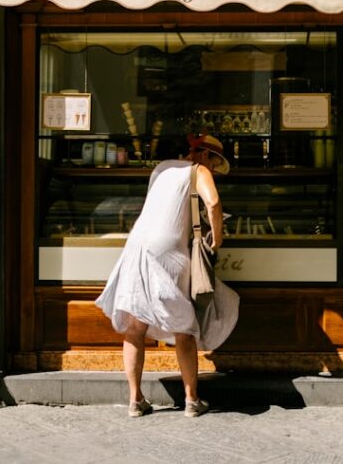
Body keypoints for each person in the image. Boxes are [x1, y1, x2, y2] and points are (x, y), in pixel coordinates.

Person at [96, 133, 239, 418]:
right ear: (202, 155)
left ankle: (135, 400)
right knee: (183, 327)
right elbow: (213, 203)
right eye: (212, 159)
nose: (212, 166)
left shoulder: (161, 168)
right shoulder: (198, 171)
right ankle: (191, 399)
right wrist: (218, 239)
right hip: (169, 249)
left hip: (137, 244)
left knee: (135, 325)